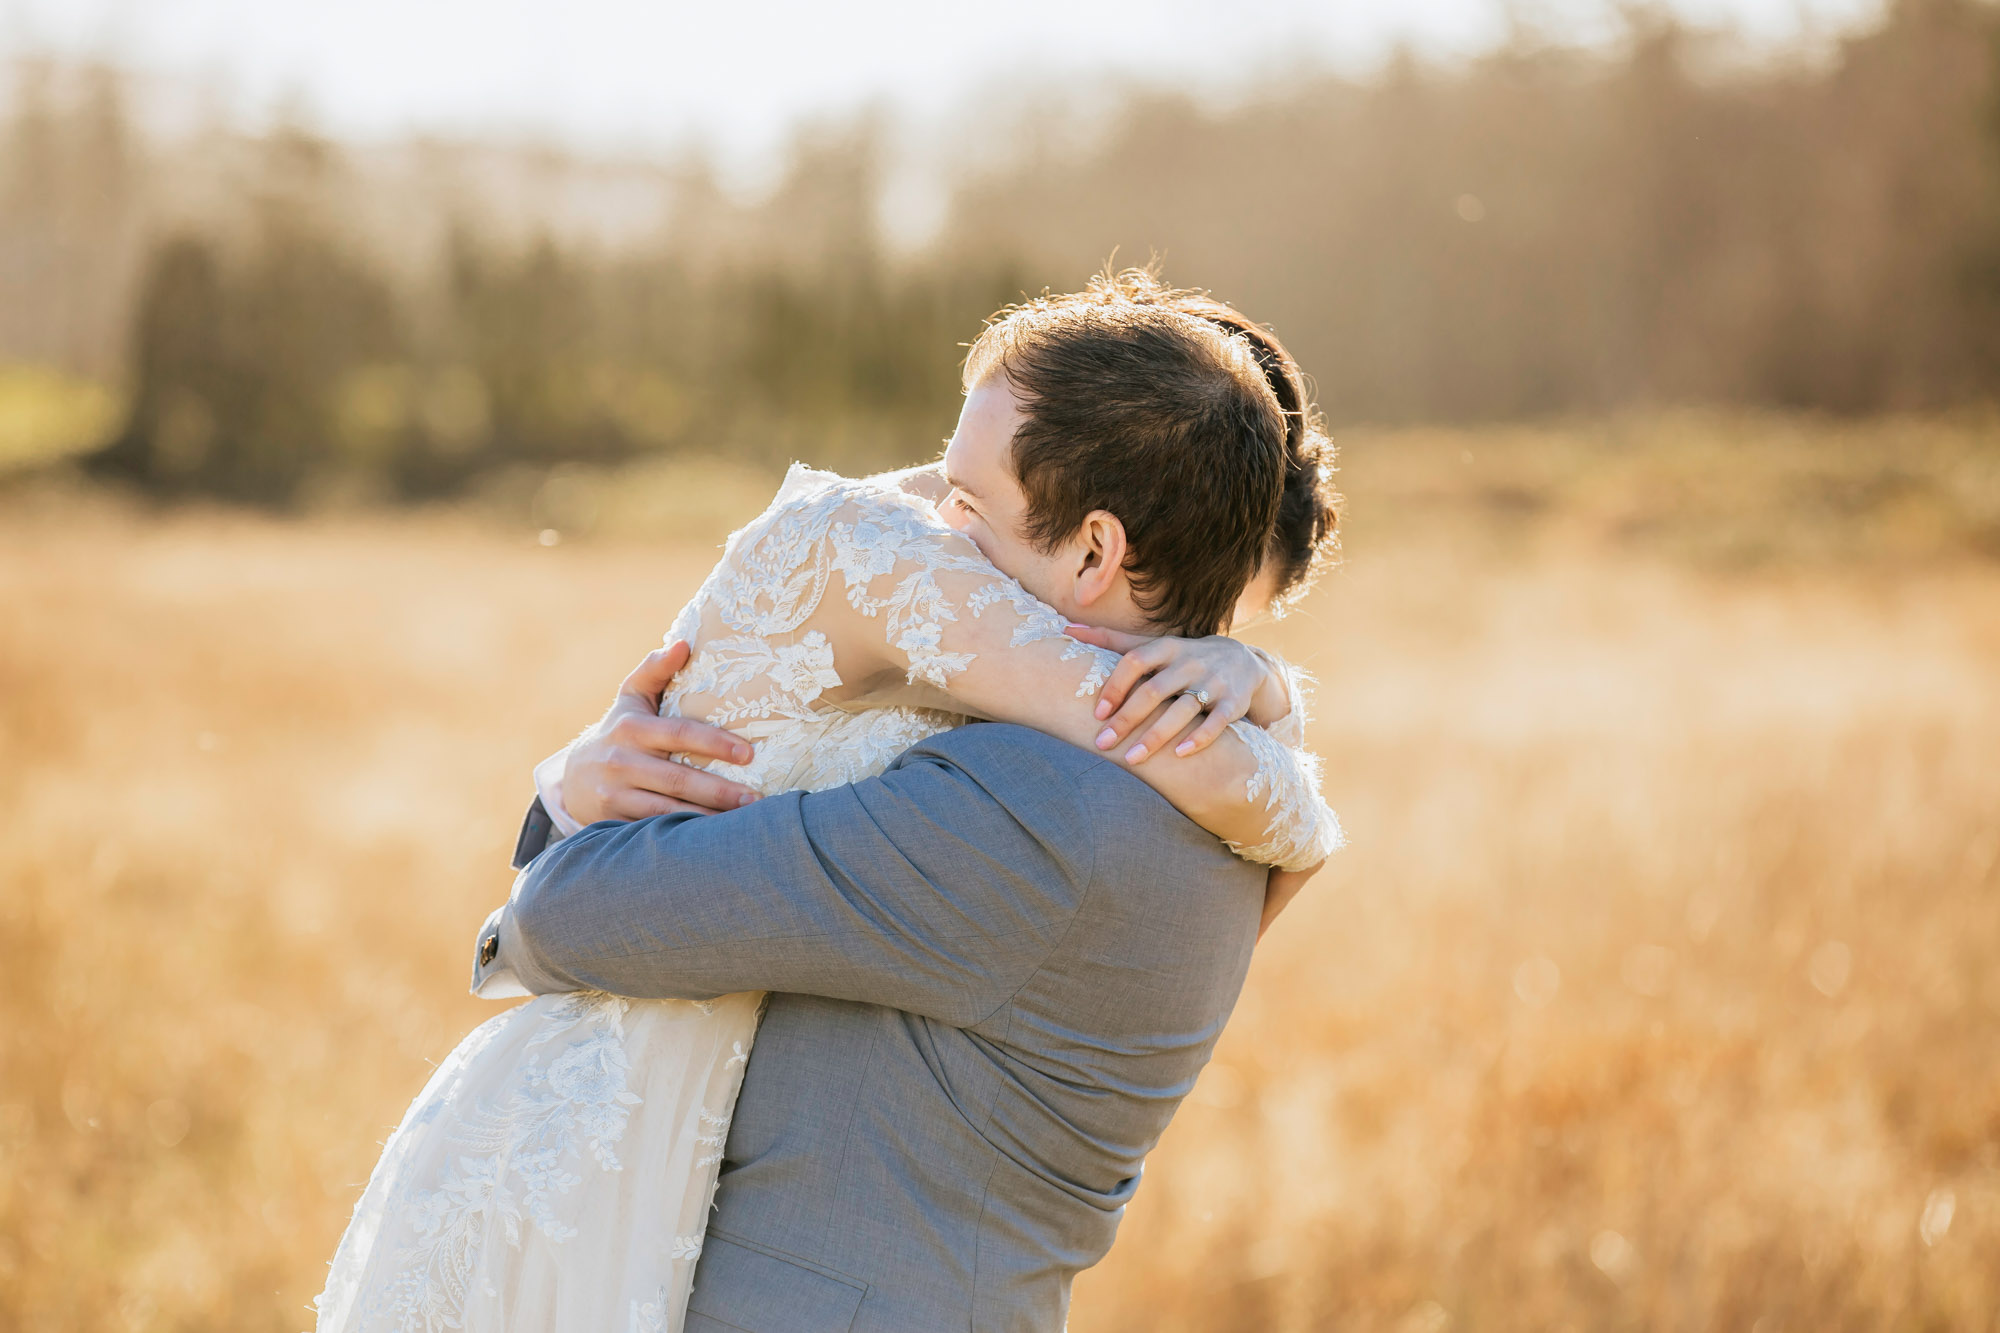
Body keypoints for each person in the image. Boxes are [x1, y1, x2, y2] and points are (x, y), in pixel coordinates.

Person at [313, 270, 1343, 1333]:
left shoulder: (1025, 810)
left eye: (967, 503)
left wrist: (571, 813)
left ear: (1095, 550)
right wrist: (1259, 687)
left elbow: (570, 915)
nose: (933, 528)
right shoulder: (1216, 795)